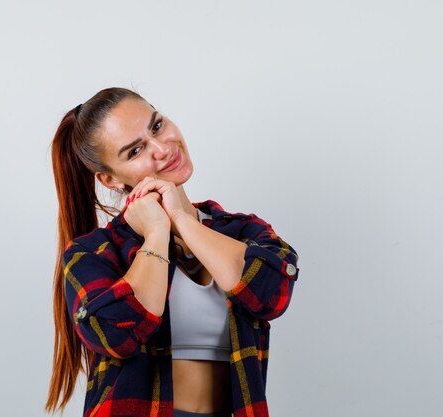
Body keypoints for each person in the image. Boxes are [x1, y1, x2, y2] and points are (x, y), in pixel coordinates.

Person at [44, 87, 300, 417]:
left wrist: (181, 219)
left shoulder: (244, 231)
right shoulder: (91, 253)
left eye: (156, 126)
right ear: (109, 178)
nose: (162, 149)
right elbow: (117, 334)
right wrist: (155, 234)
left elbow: (271, 294)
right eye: (135, 150)